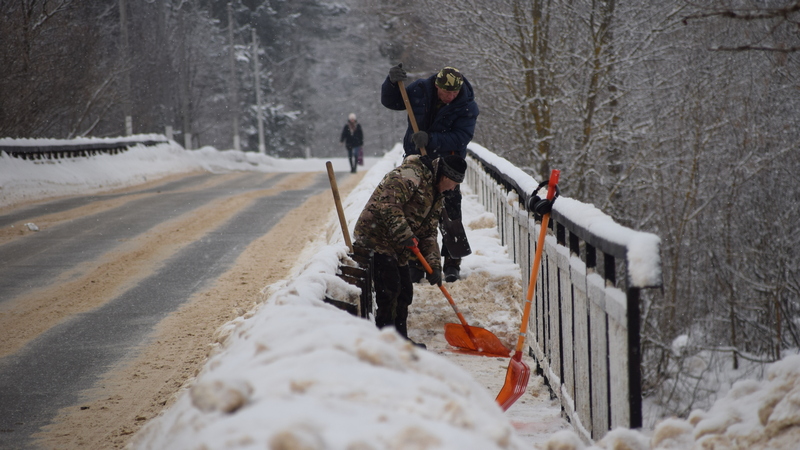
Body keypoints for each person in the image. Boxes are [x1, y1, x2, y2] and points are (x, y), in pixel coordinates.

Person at [353, 154, 468, 347]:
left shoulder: (438, 195)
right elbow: (388, 206)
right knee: (390, 289)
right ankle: (386, 343)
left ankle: (400, 339)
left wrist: (434, 264)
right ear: (445, 176)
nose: (453, 188)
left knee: (405, 291)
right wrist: (405, 233)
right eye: (454, 182)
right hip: (375, 238)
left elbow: (429, 233)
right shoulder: (410, 175)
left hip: (398, 245)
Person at [380, 64, 479, 282]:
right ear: (437, 86)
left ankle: (452, 261)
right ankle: (417, 262)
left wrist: (431, 139)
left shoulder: (467, 107)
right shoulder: (419, 91)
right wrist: (390, 83)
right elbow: (392, 101)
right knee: (416, 210)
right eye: (446, 92)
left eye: (454, 92)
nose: (451, 96)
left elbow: (461, 137)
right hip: (417, 160)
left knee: (450, 210)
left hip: (448, 163)